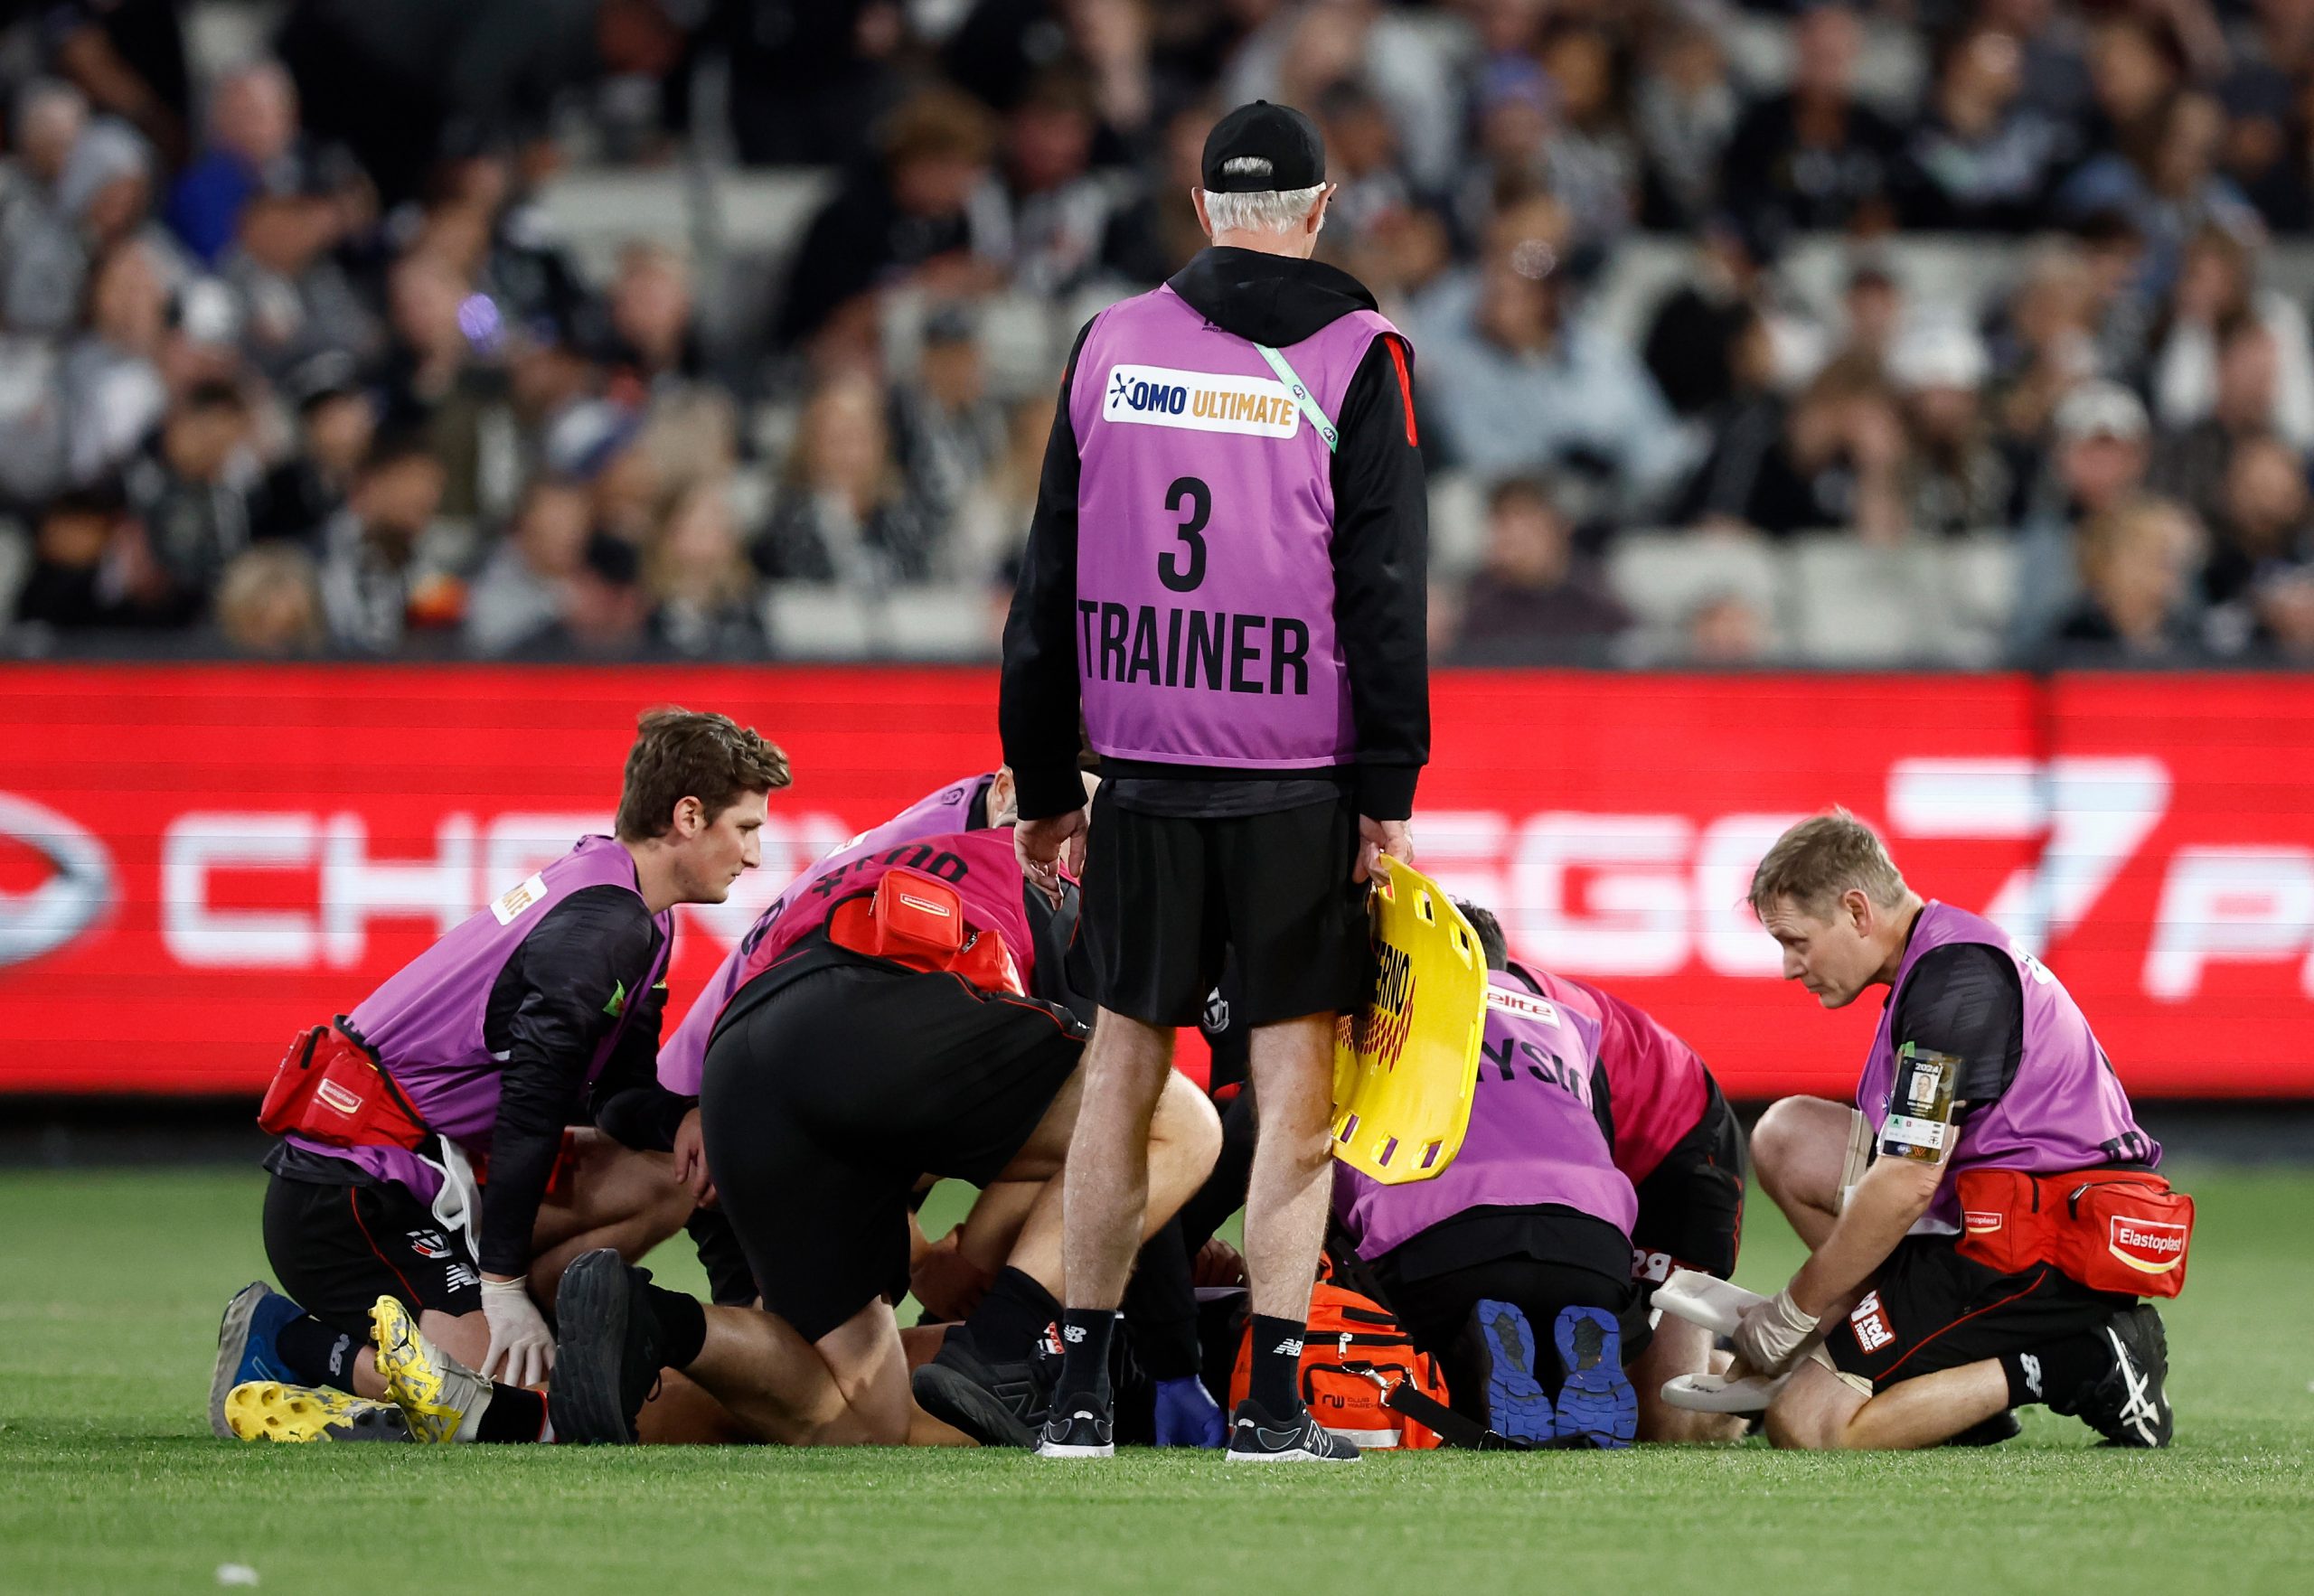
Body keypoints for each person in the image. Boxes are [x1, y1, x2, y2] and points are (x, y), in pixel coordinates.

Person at [996, 99, 1427, 1463]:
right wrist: (1389, 785)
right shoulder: (1363, 355)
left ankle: (1077, 1390)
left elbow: (1046, 580)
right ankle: (1276, 1401)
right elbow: (1383, 589)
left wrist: (1041, 770)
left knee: (1123, 1071)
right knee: (1296, 1088)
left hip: (1137, 776)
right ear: (1318, 207)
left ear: (1202, 209)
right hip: (1294, 780)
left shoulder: (1110, 342)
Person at [521, 826, 1220, 1450]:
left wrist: (928, 1259)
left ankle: (655, 1321)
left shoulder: (910, 851)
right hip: (883, 1010)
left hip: (742, 1065)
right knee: (1180, 1124)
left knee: (864, 1417)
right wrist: (1169, 1358)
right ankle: (1005, 1345)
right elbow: (1108, 1151)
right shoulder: (1061, 880)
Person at [211, 709, 789, 1444]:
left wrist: (680, 1120)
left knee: (672, 1172)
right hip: (349, 1196)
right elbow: (532, 1104)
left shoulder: (631, 907)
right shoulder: (603, 928)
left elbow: (616, 1098)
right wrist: (504, 1284)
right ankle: (290, 1342)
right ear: (687, 816)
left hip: (426, 1170)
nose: (755, 855)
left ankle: (508, 1333)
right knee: (497, 1409)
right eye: (745, 828)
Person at [1738, 811, 2178, 1450]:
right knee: (1788, 1137)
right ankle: (1937, 1373)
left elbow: (1908, 1181)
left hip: (2045, 1241)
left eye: (1796, 940)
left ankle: (2087, 1362)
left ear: (1858, 913)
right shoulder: (1937, 958)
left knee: (1810, 1426)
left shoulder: (1954, 986)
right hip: (2011, 1208)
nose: (1788, 966)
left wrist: (1795, 1310)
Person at [1331, 904, 1644, 1448]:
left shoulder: (1368, 1017)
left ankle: (1478, 1349)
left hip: (1446, 1245)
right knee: (1554, 1336)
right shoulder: (1569, 1025)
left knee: (1429, 1349)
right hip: (1592, 1248)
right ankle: (1567, 1355)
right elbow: (1602, 1145)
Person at [1452, 905, 1750, 1446]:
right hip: (1602, 1165)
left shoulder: (1546, 1023)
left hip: (1679, 1154)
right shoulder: (1454, 1009)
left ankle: (1764, 1384)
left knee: (1666, 1422)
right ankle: (1718, 1354)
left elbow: (1586, 1178)